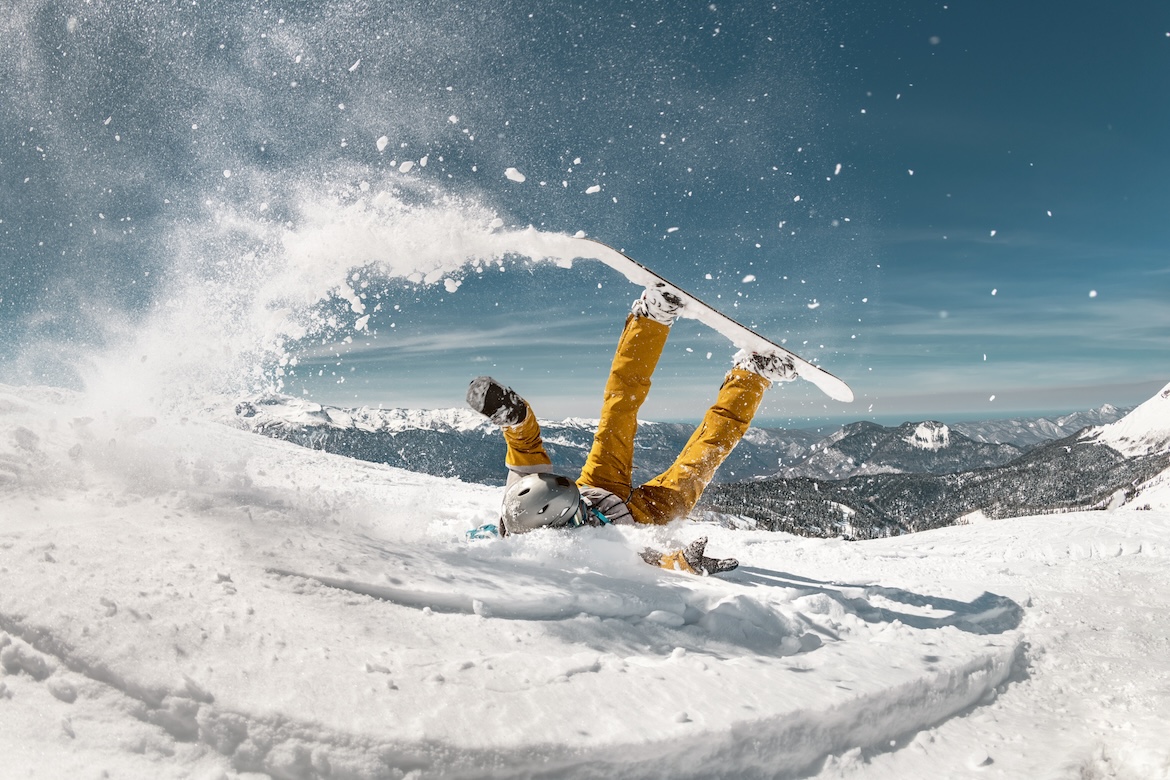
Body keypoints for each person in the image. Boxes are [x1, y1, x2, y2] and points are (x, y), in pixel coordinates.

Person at [466, 284, 797, 575]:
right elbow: (646, 556)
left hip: (598, 484)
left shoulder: (521, 506)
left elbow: (526, 447)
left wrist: (513, 415)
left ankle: (651, 317)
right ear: (563, 527)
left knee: (618, 411)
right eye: (580, 514)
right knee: (706, 453)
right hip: (644, 518)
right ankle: (753, 373)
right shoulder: (582, 547)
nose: (586, 513)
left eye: (579, 505)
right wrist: (684, 562)